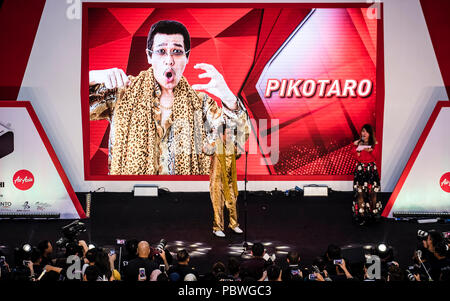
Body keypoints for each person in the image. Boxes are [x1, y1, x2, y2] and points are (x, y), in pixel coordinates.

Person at [89, 20, 249, 175]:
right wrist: (95, 76)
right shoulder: (121, 92)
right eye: (161, 51)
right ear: (149, 56)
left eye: (177, 52)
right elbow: (72, 102)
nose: (169, 60)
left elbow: (234, 143)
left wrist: (228, 97)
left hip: (186, 199)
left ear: (187, 57)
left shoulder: (202, 104)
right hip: (130, 197)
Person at [209, 125, 245, 237]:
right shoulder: (216, 145)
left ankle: (234, 224)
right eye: (228, 134)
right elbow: (205, 150)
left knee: (233, 202)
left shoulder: (231, 146)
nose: (230, 136)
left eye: (231, 134)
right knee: (218, 204)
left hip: (229, 180)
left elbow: (238, 155)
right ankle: (217, 228)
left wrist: (239, 148)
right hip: (217, 181)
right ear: (222, 135)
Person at [352, 124, 381, 224]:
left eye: (365, 131)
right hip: (360, 170)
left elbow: (376, 155)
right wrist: (358, 147)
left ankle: (373, 214)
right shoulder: (358, 143)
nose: (363, 133)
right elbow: (355, 156)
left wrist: (368, 149)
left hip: (371, 170)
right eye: (362, 131)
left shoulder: (375, 143)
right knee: (360, 193)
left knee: (373, 193)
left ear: (370, 133)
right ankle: (361, 215)